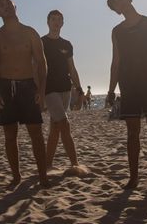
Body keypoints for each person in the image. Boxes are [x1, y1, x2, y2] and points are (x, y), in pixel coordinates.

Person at [106, 0, 147, 188]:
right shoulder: (117, 31)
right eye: (115, 3)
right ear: (116, 10)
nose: (120, 3)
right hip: (128, 84)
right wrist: (110, 90)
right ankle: (133, 177)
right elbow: (116, 62)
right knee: (132, 132)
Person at [0, 0, 49, 187]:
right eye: (1, 6)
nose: (6, 7)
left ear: (15, 5)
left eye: (8, 3)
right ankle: (16, 176)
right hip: (6, 87)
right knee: (10, 135)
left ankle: (43, 176)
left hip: (28, 86)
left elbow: (41, 63)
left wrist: (41, 89)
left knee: (36, 133)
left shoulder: (30, 32)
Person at [40, 9, 87, 175]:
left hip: (65, 88)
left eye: (59, 19)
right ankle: (76, 164)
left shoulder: (67, 44)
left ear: (63, 23)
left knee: (55, 128)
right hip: (49, 89)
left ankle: (47, 165)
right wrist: (38, 92)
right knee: (64, 124)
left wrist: (79, 88)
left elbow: (72, 68)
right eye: (53, 19)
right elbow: (36, 68)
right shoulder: (41, 42)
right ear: (48, 22)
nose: (56, 22)